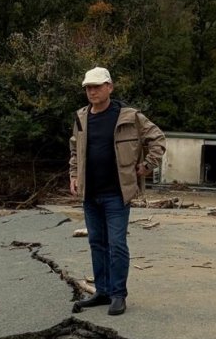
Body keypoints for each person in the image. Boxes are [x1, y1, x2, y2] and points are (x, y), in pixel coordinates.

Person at [69, 67, 165, 316]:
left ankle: (118, 294)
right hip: (90, 193)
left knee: (117, 244)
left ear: (109, 87)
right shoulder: (81, 116)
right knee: (96, 243)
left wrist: (146, 166)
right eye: (88, 87)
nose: (92, 91)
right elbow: (74, 149)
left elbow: (158, 139)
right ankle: (102, 291)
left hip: (116, 193)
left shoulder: (129, 116)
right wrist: (73, 174)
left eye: (97, 86)